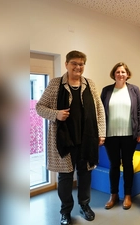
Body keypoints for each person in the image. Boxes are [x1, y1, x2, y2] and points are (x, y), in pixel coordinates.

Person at [36, 50, 106, 225]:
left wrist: (102, 132)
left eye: (81, 64)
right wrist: (56, 114)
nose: (78, 67)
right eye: (74, 63)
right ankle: (65, 211)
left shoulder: (90, 84)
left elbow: (99, 109)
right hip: (64, 140)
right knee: (66, 178)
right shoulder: (55, 84)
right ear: (66, 64)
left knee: (85, 174)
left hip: (87, 139)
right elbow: (39, 107)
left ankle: (85, 205)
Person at [100, 62, 140, 210]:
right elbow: (100, 113)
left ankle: (127, 195)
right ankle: (113, 195)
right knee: (113, 165)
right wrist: (100, 133)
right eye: (118, 72)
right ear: (114, 74)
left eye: (123, 72)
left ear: (127, 74)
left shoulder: (134, 90)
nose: (120, 74)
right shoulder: (106, 91)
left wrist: (139, 132)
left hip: (129, 135)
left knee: (127, 164)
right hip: (110, 135)